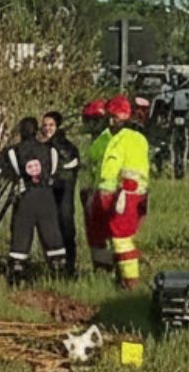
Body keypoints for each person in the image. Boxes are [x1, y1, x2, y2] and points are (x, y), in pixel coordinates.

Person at [0, 116, 68, 282]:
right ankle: (59, 270)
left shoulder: (12, 151)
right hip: (47, 197)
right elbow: (60, 171)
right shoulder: (50, 150)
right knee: (51, 231)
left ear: (20, 131)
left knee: (21, 233)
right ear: (37, 130)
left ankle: (17, 272)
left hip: (25, 197)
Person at [96, 95, 152, 289]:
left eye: (111, 117)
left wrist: (121, 191)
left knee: (121, 239)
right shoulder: (125, 137)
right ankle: (123, 278)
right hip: (122, 196)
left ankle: (130, 283)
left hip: (126, 196)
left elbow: (124, 169)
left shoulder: (127, 139)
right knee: (118, 238)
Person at [39, 110, 81, 275]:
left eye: (50, 125)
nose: (47, 128)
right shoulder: (50, 146)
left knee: (64, 230)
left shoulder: (63, 147)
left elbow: (65, 174)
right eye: (44, 125)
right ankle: (63, 266)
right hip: (59, 198)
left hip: (62, 197)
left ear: (57, 126)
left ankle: (66, 267)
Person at [80, 99, 112, 273]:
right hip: (88, 191)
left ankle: (108, 267)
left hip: (102, 192)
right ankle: (100, 267)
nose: (91, 125)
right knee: (94, 233)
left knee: (106, 232)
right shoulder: (89, 141)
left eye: (94, 120)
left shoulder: (108, 140)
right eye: (88, 120)